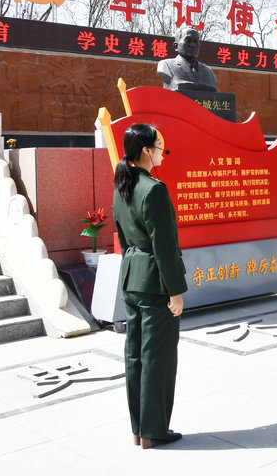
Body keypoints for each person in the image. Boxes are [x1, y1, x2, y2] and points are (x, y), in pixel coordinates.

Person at [113, 123, 187, 449]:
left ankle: (139, 428)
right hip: (155, 284)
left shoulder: (122, 187)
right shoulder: (154, 189)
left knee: (135, 355)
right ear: (146, 150)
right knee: (157, 357)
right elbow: (165, 248)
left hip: (131, 277)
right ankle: (154, 430)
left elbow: (123, 238)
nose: (162, 153)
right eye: (159, 147)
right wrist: (176, 292)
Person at [157, 27, 218, 92]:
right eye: (187, 40)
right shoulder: (166, 65)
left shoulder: (208, 71)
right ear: (176, 46)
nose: (193, 45)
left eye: (196, 41)